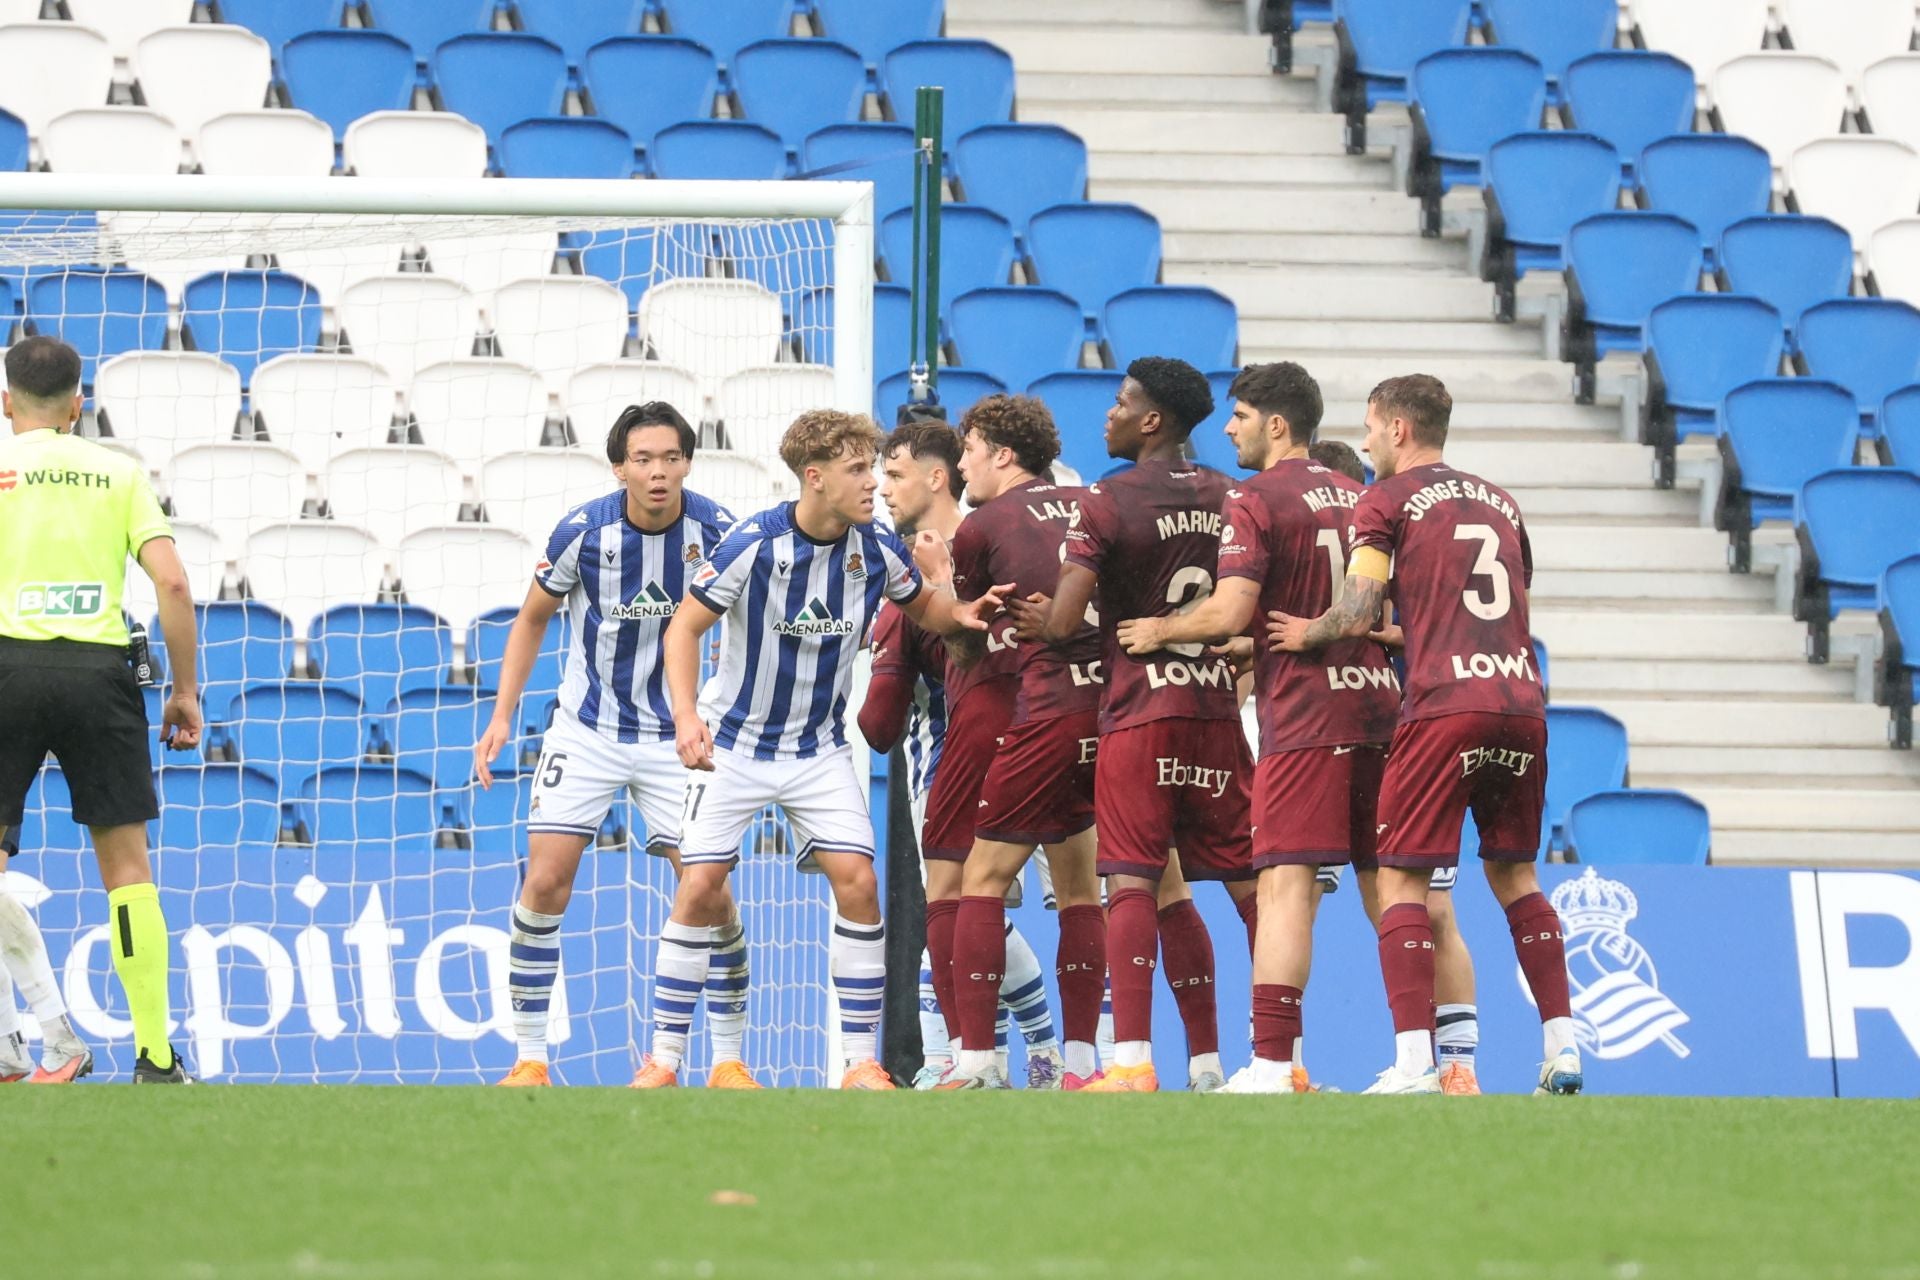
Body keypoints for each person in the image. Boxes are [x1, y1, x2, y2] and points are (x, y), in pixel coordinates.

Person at [650, 409, 1008, 1091]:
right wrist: (687, 715)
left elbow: (922, 605)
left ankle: (859, 1063)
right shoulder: (753, 543)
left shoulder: (875, 546)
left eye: (874, 468)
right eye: (856, 470)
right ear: (814, 479)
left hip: (818, 750)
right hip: (735, 746)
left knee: (860, 883)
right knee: (698, 886)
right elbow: (683, 629)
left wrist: (958, 613)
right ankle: (664, 1061)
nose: (872, 482)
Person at [1270, 374, 1580, 1096]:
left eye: (1372, 428)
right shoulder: (1501, 501)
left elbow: (1352, 611)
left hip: (1443, 706)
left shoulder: (1383, 500)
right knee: (1517, 876)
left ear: (1399, 430)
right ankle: (1563, 1048)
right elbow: (1490, 604)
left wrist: (1302, 634)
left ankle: (1414, 1063)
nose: (1368, 439)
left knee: (1403, 879)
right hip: (1522, 702)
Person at [1118, 361, 1397, 1094]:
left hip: (1305, 720)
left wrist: (1160, 628)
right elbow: (1363, 608)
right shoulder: (1356, 492)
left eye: (1240, 415)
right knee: (1390, 890)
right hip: (1377, 707)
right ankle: (1425, 1059)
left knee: (1282, 887)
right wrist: (1257, 643)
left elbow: (1234, 607)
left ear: (1277, 425)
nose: (1229, 428)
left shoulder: (1255, 496)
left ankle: (1274, 1066)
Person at [475, 402, 753, 1089]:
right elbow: (532, 620)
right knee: (544, 881)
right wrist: (502, 716)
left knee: (707, 888)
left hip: (676, 736)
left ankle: (726, 1060)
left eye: (670, 458)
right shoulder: (583, 532)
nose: (658, 472)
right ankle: (530, 1057)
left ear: (688, 461)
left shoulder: (718, 532)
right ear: (619, 467)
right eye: (643, 460)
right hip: (588, 730)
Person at [1016, 357, 1256, 1094]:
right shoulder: (1233, 495)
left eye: (1121, 404)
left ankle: (1131, 1064)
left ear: (1152, 420)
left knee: (1132, 883)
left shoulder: (1106, 499)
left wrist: (1032, 620)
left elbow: (1063, 622)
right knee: (1253, 892)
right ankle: (1264, 1061)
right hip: (1216, 715)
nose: (1108, 416)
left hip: (1139, 715)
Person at [0, 335, 200, 1084]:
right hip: (98, 671)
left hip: (7, 663)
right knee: (126, 870)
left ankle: (21, 1042)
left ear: (6, 401)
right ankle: (154, 1054)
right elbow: (173, 586)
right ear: (80, 403)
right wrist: (184, 690)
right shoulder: (118, 473)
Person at [859, 422, 1061, 1089]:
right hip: (1036, 737)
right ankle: (1026, 1053)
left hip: (958, 753)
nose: (882, 490)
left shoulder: (955, 556)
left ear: (937, 477)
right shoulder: (1000, 540)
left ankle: (994, 1053)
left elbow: (880, 722)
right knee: (991, 908)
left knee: (966, 903)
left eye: (893, 475)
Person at [935, 395, 1107, 1091]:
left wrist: (941, 612)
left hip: (1041, 715)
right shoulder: (1097, 504)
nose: (962, 464)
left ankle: (976, 1061)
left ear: (1004, 454)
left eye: (969, 450)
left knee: (980, 878)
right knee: (1078, 888)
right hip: (1111, 712)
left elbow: (969, 641)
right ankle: (1084, 1065)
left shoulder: (984, 525)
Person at [1308, 436, 1483, 1095]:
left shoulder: (1398, 532)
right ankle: (1292, 1063)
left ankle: (1449, 1064)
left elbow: (1441, 624)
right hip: (1344, 734)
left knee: (1411, 904)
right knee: (1411, 905)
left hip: (1390, 734)